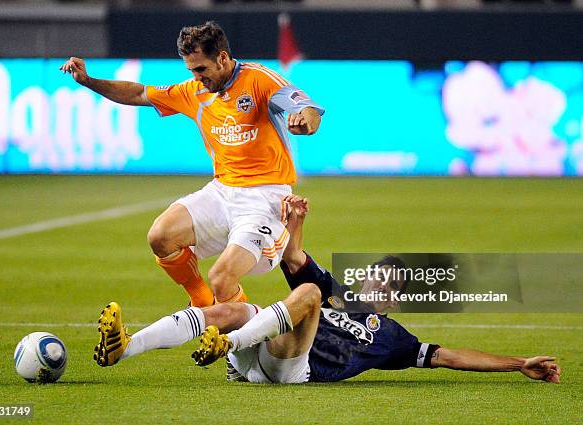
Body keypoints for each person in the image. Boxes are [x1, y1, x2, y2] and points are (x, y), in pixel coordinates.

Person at [94, 197, 561, 386]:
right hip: (260, 351)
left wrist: (519, 364)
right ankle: (125, 347)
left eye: (389, 282)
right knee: (233, 308)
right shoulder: (341, 291)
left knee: (308, 298)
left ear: (395, 297)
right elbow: (293, 258)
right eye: (376, 274)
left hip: (294, 367)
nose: (379, 280)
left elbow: (449, 356)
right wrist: (296, 220)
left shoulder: (389, 336)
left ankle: (229, 345)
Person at [60, 21, 324, 315]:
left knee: (223, 279)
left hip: (266, 198)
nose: (197, 78)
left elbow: (309, 109)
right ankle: (201, 299)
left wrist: (304, 123)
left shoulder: (259, 79)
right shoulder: (194, 92)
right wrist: (89, 81)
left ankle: (246, 341)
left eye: (201, 69)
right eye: (191, 71)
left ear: (222, 58)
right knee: (160, 236)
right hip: (222, 191)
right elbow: (138, 94)